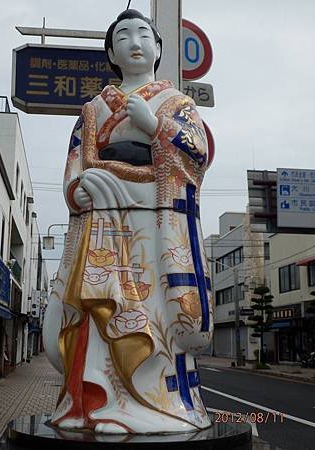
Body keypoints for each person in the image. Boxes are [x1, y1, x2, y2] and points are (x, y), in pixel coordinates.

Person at [43, 8, 214, 434]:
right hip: (102, 214)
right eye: (122, 36)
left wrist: (154, 125)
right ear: (111, 54)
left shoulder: (178, 103)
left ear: (158, 48)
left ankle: (160, 404)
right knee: (98, 310)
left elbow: (197, 154)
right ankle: (98, 400)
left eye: (143, 34)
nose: (134, 41)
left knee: (151, 306)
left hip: (153, 223)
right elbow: (75, 160)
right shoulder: (94, 108)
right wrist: (75, 189)